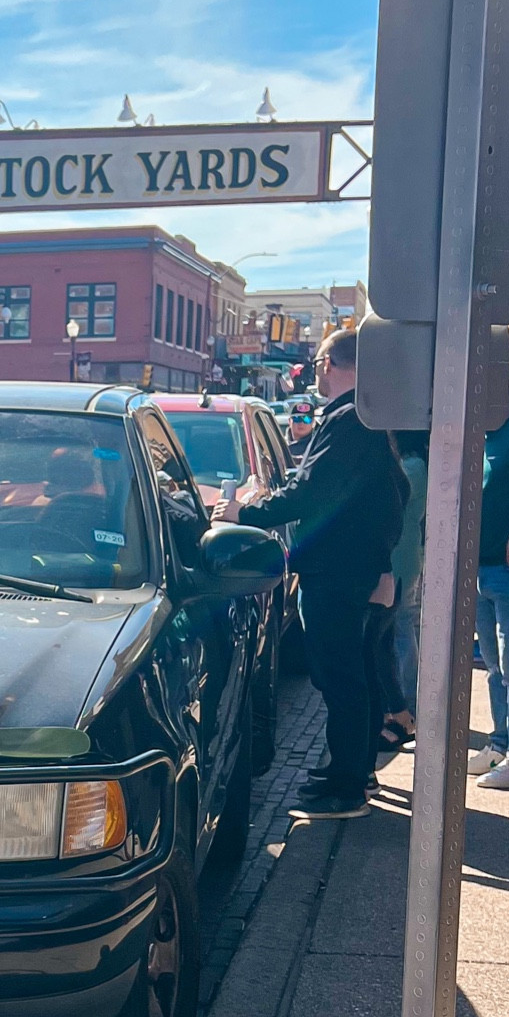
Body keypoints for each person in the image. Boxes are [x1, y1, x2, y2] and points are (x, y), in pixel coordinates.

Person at [215, 328, 408, 819]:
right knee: (352, 673)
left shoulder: (349, 421)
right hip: (352, 569)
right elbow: (389, 495)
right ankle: (351, 767)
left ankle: (346, 787)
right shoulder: (362, 420)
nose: (316, 371)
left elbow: (311, 493)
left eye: (320, 361)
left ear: (332, 364)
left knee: (340, 677)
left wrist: (244, 515)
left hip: (338, 573)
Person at [471, 419, 509, 786]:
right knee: (494, 666)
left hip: (506, 567)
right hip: (479, 567)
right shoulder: (482, 434)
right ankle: (499, 744)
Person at [389, 429, 429, 730]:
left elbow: (392, 499)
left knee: (402, 628)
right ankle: (408, 701)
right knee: (406, 625)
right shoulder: (415, 463)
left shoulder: (412, 467)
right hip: (407, 552)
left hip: (401, 555)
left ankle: (407, 704)